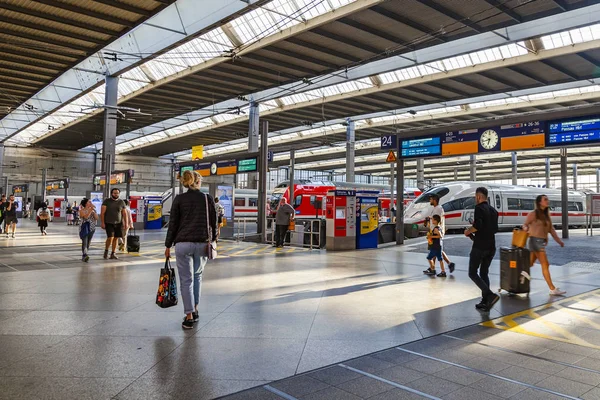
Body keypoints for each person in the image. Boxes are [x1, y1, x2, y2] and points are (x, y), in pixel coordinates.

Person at [165, 170, 217, 330]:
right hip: (202, 243)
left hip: (182, 244)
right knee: (197, 276)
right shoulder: (206, 199)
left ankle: (188, 316)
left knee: (186, 280)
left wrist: (167, 245)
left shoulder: (179, 199)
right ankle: (195, 309)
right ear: (198, 182)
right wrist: (214, 240)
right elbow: (214, 222)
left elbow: (172, 223)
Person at [464, 187, 500, 311]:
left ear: (479, 196)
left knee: (472, 273)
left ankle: (489, 295)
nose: (475, 199)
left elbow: (478, 225)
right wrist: (474, 235)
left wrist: (468, 231)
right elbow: (494, 229)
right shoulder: (494, 211)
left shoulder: (479, 208)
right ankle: (486, 302)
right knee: (484, 273)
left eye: (475, 197)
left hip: (479, 247)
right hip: (491, 247)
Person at [523, 195, 566, 296]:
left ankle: (520, 273)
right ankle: (552, 288)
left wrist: (559, 241)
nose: (548, 201)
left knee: (530, 263)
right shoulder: (533, 214)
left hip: (540, 241)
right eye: (545, 199)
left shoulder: (546, 215)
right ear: (539, 203)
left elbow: (551, 230)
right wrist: (526, 228)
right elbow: (525, 224)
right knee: (545, 264)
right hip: (535, 241)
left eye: (547, 199)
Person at [423, 194, 455, 274]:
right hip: (435, 231)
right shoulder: (436, 208)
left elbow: (437, 219)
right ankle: (446, 265)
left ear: (434, 200)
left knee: (434, 250)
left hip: (436, 232)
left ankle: (433, 268)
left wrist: (433, 232)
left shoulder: (438, 208)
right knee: (437, 250)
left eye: (431, 199)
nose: (430, 201)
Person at [100, 188, 128, 260]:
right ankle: (106, 251)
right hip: (109, 223)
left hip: (118, 223)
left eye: (117, 193)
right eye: (114, 193)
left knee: (115, 238)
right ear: (112, 194)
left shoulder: (121, 202)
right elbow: (102, 213)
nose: (116, 194)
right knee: (110, 238)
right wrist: (102, 223)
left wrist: (126, 223)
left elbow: (124, 213)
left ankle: (113, 253)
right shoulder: (107, 201)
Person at [79, 198, 98, 262]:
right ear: (85, 203)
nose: (90, 203)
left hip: (92, 228)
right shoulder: (82, 210)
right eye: (89, 202)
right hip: (84, 227)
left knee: (88, 241)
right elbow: (86, 217)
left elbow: (96, 218)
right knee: (85, 241)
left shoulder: (93, 210)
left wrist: (94, 211)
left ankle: (85, 253)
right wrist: (90, 210)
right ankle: (85, 254)